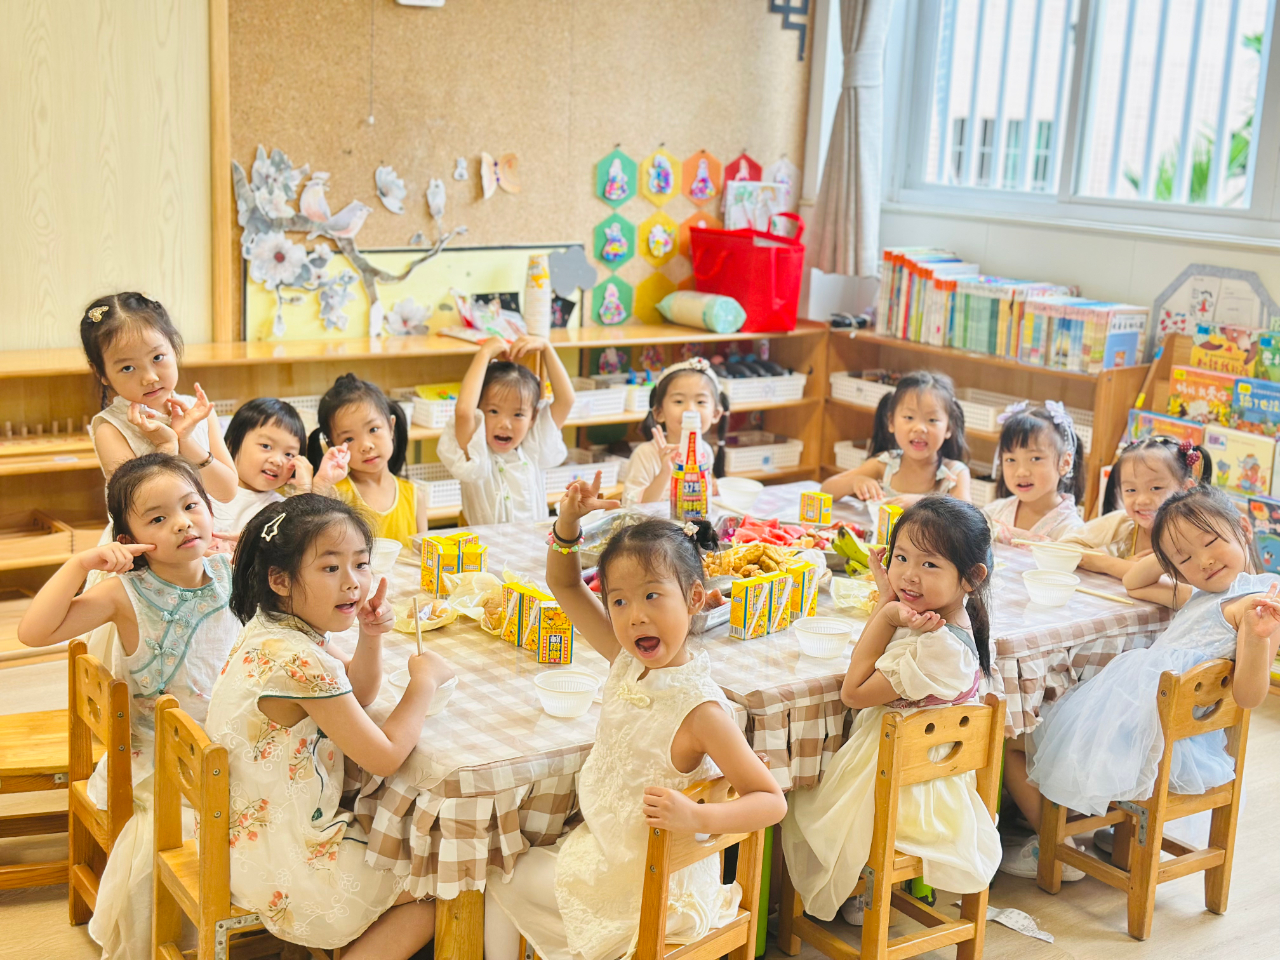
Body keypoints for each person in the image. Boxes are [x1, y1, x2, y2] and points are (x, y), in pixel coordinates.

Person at [485, 474, 786, 960]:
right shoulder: (628, 663)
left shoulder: (701, 710)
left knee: (497, 875)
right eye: (618, 601)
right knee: (514, 868)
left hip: (656, 889)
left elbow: (771, 802)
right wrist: (566, 525)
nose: (634, 617)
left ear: (693, 598)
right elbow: (562, 581)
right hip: (612, 857)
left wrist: (698, 816)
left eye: (651, 595)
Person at [206, 495, 455, 958]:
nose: (353, 584)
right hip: (288, 867)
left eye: (361, 565)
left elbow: (357, 694)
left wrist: (370, 636)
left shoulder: (276, 628)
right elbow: (382, 756)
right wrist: (423, 683)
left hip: (246, 842)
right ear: (279, 580)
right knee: (447, 884)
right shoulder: (299, 659)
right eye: (329, 568)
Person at [17, 454, 239, 960]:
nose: (182, 522)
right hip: (161, 760)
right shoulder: (125, 594)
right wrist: (79, 565)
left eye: (190, 506)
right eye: (158, 518)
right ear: (128, 540)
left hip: (231, 741)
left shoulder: (230, 573)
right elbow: (33, 633)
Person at [1011, 486, 1280, 876]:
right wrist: (1172, 547)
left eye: (1211, 542)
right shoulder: (1205, 595)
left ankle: (1056, 848)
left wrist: (1257, 637)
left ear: (1243, 528)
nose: (1204, 561)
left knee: (1015, 741)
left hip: (1147, 737)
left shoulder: (1255, 606)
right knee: (1043, 735)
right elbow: (1135, 581)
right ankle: (1084, 835)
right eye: (1186, 557)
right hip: (1142, 726)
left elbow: (1249, 696)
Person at [781, 496, 1001, 924]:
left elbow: (853, 691)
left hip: (905, 792)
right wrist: (888, 598)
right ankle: (860, 890)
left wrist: (884, 615)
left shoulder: (935, 645)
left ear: (972, 578)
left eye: (929, 564)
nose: (909, 575)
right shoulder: (951, 623)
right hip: (926, 779)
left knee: (794, 794)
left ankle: (846, 891)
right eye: (900, 557)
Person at [82, 292, 236, 501]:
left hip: (204, 531)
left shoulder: (197, 412)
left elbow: (227, 492)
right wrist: (166, 448)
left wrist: (186, 440)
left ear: (174, 348)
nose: (149, 377)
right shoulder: (110, 429)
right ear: (102, 374)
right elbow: (141, 506)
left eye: (157, 357)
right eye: (127, 368)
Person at [437, 335, 575, 524]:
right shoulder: (475, 451)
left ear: (533, 417)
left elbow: (566, 400)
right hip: (485, 551)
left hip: (534, 546)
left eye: (518, 415)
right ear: (479, 411)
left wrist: (546, 347)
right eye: (493, 411)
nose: (505, 424)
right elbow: (463, 412)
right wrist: (484, 354)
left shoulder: (533, 444)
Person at [1059, 436, 1211, 591]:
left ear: (1186, 489)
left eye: (1156, 488)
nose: (1142, 500)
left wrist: (1106, 563)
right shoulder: (1123, 523)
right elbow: (1064, 548)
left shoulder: (1195, 535)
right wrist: (1124, 564)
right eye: (1131, 490)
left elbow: (1180, 589)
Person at [307, 373, 426, 545]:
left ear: (391, 427)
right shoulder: (335, 494)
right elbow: (310, 538)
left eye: (373, 429)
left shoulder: (414, 496)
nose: (366, 445)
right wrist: (321, 484)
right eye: (348, 439)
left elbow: (424, 558)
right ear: (332, 444)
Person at [821, 371, 971, 505]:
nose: (919, 428)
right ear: (891, 422)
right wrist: (855, 482)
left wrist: (922, 503)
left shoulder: (955, 473)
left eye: (932, 420)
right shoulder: (885, 464)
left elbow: (967, 517)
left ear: (949, 428)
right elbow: (826, 490)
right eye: (909, 417)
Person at [215, 398, 342, 534]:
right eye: (266, 446)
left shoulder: (282, 507)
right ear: (230, 443)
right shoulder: (207, 490)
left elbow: (297, 539)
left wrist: (304, 489)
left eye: (289, 454)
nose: (277, 461)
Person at [622, 357, 728, 505]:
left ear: (715, 414)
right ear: (659, 412)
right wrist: (665, 472)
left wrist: (713, 489)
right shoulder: (645, 454)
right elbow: (632, 508)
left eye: (700, 402)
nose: (690, 409)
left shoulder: (705, 451)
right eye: (679, 401)